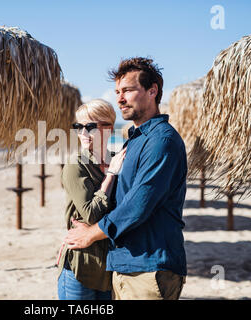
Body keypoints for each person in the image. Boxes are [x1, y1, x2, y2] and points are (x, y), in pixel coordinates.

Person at [64, 57, 187, 300]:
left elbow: (137, 205)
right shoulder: (135, 139)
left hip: (149, 265)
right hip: (124, 264)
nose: (120, 98)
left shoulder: (161, 141)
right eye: (118, 91)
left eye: (128, 90)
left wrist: (90, 233)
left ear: (152, 91)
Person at [57, 99, 127, 300]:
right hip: (81, 266)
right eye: (78, 127)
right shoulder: (76, 166)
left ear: (109, 128)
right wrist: (111, 175)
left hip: (109, 265)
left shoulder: (118, 158)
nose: (83, 133)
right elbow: (90, 214)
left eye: (90, 127)